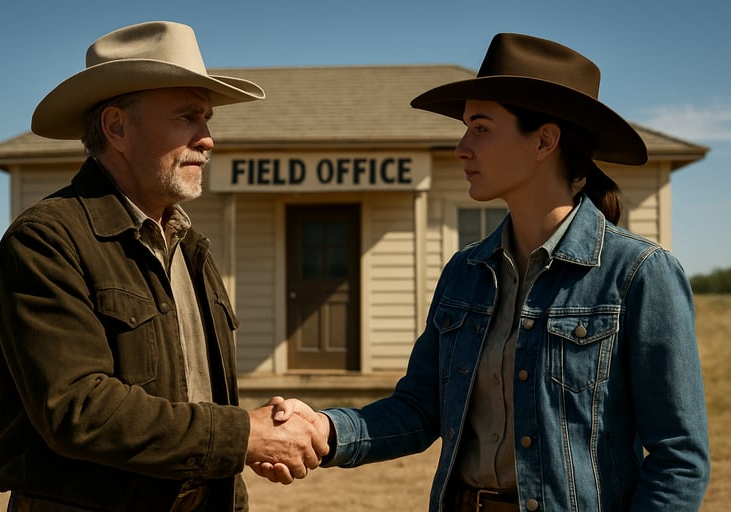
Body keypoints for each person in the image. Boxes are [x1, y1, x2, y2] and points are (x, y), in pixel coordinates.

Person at [263, 33, 711, 511]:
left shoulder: (638, 274)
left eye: (480, 127)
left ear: (544, 141)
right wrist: (324, 429)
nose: (461, 147)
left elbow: (679, 459)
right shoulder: (466, 272)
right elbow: (419, 408)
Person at [0, 21, 328, 512]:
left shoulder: (191, 247)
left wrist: (242, 457)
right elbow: (79, 409)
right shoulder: (47, 240)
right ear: (117, 127)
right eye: (188, 117)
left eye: (207, 120)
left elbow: (206, 400)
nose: (207, 139)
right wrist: (244, 436)